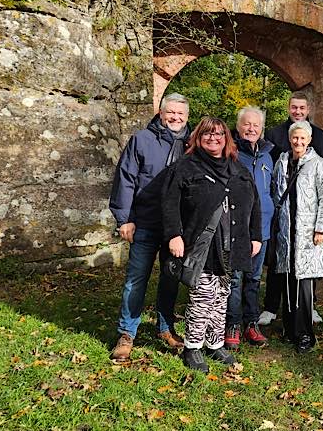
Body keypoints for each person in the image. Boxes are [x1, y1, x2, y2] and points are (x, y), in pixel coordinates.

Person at [162, 117, 262, 373]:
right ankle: (193, 347)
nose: (213, 138)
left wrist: (255, 236)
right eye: (207, 134)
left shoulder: (238, 169)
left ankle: (215, 342)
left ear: (226, 138)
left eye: (218, 134)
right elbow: (170, 202)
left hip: (232, 242)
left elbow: (255, 204)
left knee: (221, 297)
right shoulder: (186, 167)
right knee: (203, 296)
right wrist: (174, 235)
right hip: (202, 243)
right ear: (198, 137)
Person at [109, 93, 190, 361]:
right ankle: (127, 332)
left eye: (180, 114)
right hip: (144, 221)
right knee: (136, 278)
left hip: (174, 227)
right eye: (171, 113)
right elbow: (126, 178)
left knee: (170, 278)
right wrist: (124, 218)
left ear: (186, 117)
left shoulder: (191, 144)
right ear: (161, 112)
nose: (175, 118)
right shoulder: (142, 140)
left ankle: (165, 327)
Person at [260, 91, 323, 326]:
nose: (297, 111)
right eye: (294, 107)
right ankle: (271, 307)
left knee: (305, 263)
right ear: (289, 108)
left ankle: (309, 307)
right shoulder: (275, 133)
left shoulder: (319, 136)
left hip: (307, 214)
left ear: (308, 109)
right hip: (283, 212)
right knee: (278, 260)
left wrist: (321, 225)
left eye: (302, 108)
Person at [272, 121, 323, 353]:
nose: (298, 142)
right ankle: (289, 329)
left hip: (308, 232)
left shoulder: (317, 164)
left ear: (309, 140)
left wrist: (321, 228)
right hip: (287, 230)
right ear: (290, 139)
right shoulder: (283, 161)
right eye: (295, 138)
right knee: (288, 281)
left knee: (304, 285)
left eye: (302, 138)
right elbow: (275, 192)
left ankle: (305, 334)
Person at [224, 107, 274, 351]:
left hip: (262, 229)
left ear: (261, 128)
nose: (251, 129)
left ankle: (251, 322)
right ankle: (232, 324)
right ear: (239, 126)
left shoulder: (267, 154)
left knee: (254, 279)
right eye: (247, 124)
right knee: (235, 279)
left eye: (256, 125)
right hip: (238, 229)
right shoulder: (230, 153)